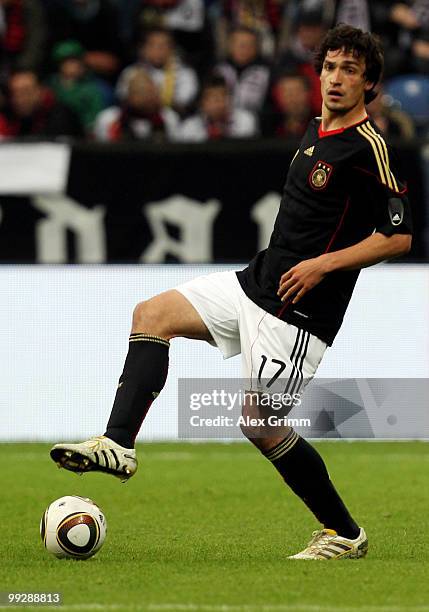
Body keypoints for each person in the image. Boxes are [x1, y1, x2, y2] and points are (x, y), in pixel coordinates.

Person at [50, 24, 412, 560]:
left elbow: (399, 236)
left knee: (259, 425)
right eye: (330, 67)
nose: (336, 79)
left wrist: (322, 266)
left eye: (350, 71)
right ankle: (119, 445)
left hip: (299, 313)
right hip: (255, 284)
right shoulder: (316, 130)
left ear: (369, 84)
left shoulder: (369, 148)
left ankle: (345, 534)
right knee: (152, 313)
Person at [94, 67, 179, 142]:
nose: (145, 97)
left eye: (149, 91)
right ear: (129, 95)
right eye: (139, 91)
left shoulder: (169, 118)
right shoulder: (108, 119)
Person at [0, 69, 83, 138]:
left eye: (26, 92)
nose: (19, 99)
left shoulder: (62, 116)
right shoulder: (10, 117)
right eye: (14, 93)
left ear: (41, 91)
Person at [175, 74, 258, 141]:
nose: (220, 102)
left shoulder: (246, 121)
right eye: (214, 98)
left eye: (224, 95)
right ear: (203, 103)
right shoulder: (189, 128)